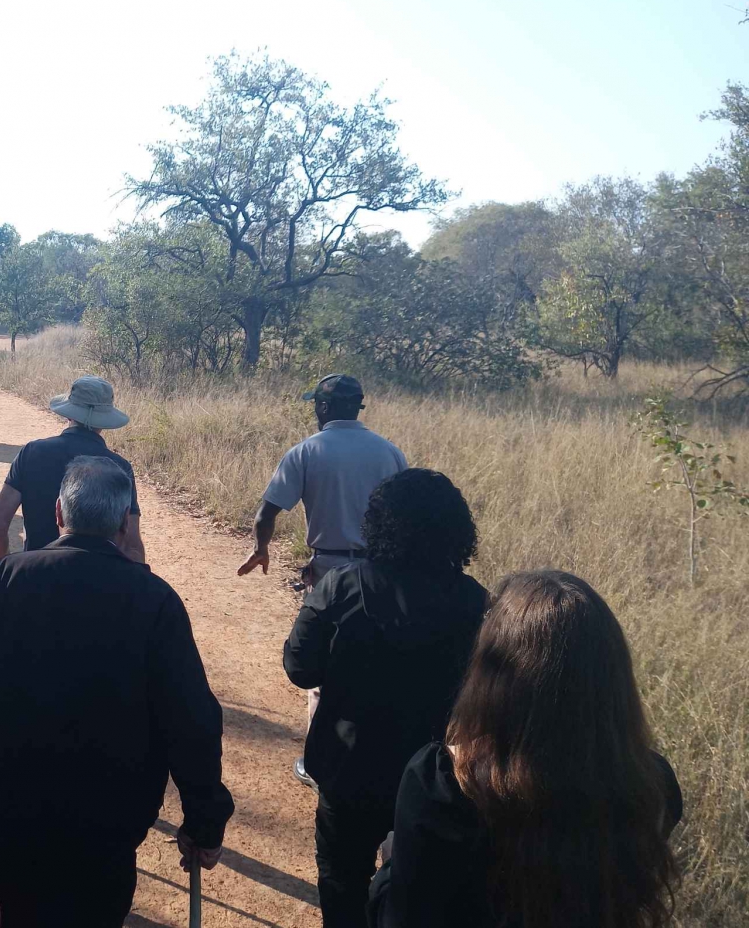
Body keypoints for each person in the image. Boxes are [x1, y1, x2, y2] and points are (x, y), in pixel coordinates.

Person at [0, 457, 235, 927]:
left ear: (58, 513)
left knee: (22, 909)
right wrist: (204, 819)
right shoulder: (155, 600)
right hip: (109, 817)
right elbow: (191, 720)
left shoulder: (4, 579)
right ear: (124, 524)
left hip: (10, 806)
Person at [369, 571, 682, 928]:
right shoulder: (653, 787)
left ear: (493, 680)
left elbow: (402, 919)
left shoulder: (443, 787)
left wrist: (390, 869)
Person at [281, 469, 486, 928]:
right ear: (456, 530)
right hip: (440, 776)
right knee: (422, 892)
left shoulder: (341, 587)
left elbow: (300, 667)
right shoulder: (477, 603)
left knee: (342, 878)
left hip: (349, 767)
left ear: (377, 525)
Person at [237, 373, 406, 788]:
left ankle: (319, 763)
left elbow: (266, 514)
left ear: (324, 407)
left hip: (331, 570)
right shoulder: (390, 453)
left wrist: (261, 548)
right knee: (379, 661)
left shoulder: (307, 452)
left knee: (324, 667)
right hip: (386, 570)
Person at [0, 375, 145, 563]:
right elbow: (132, 548)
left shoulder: (32, 453)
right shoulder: (119, 467)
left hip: (38, 572)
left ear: (69, 413)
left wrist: (8, 567)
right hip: (100, 578)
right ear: (105, 421)